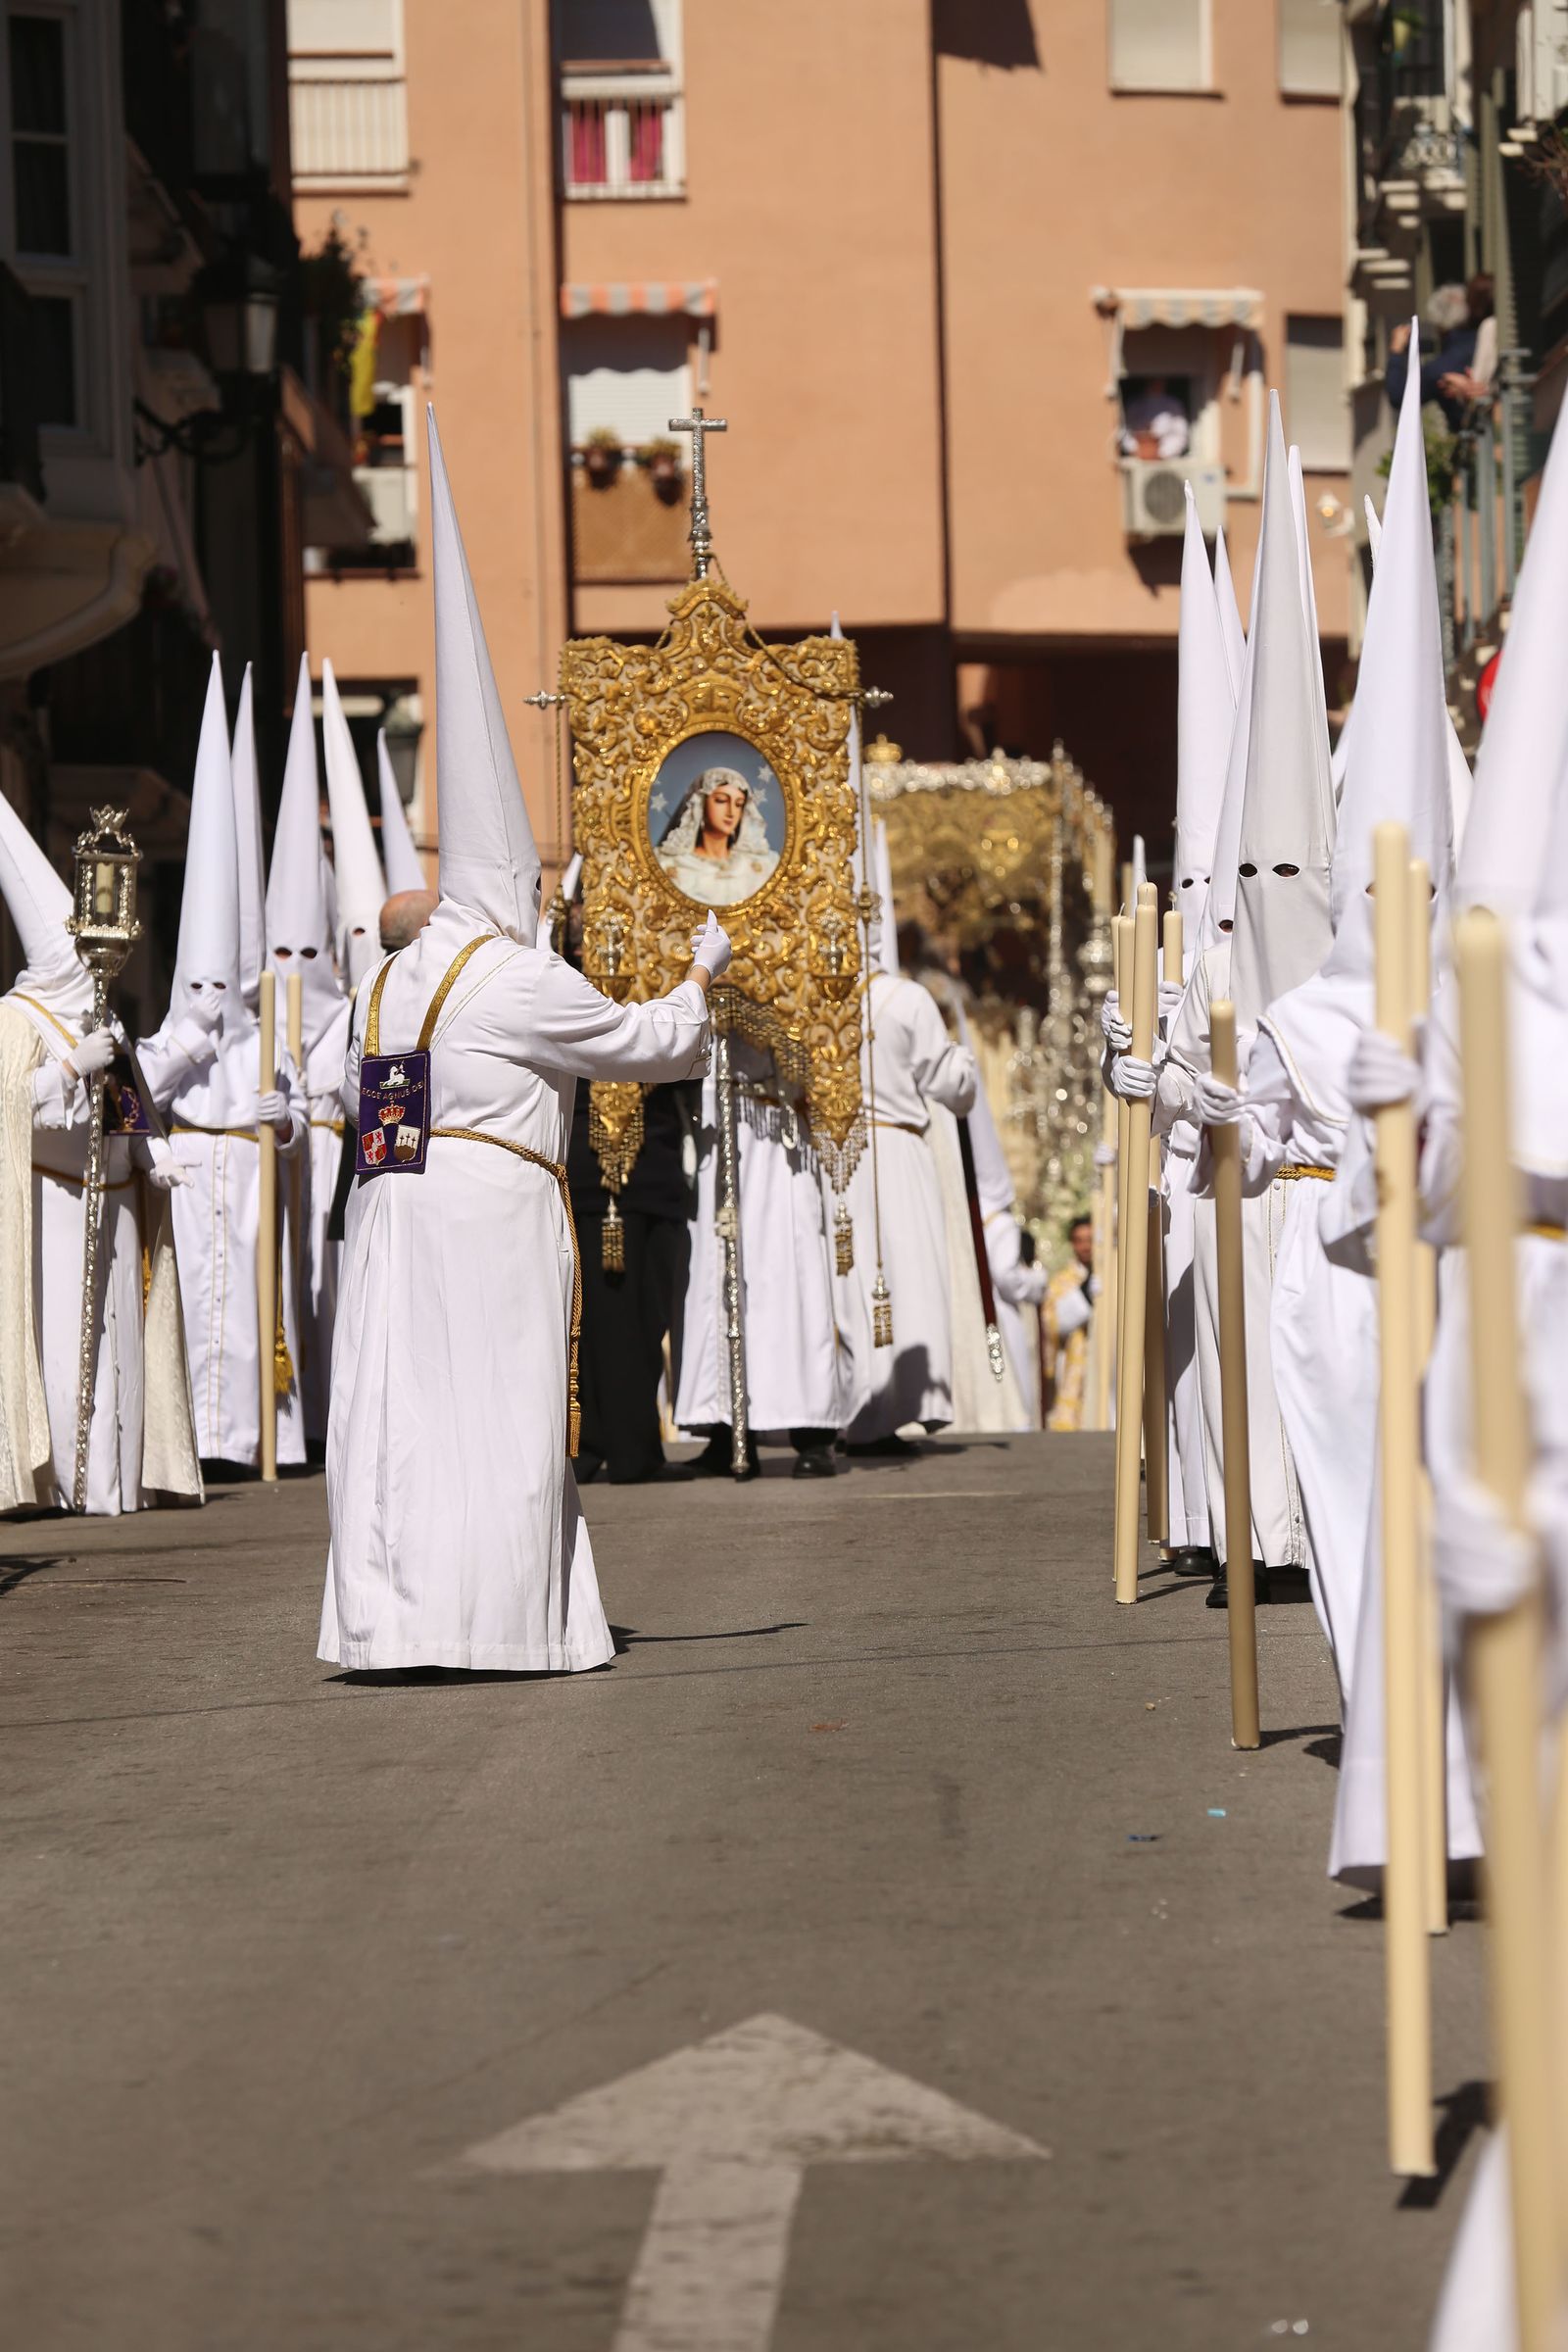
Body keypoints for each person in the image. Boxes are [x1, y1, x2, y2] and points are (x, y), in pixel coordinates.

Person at [318, 408, 717, 1675]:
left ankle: (391, 1620)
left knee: (401, 1416)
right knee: (494, 1412)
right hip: (490, 1209)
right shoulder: (515, 973)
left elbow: (336, 1083)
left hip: (389, 1207)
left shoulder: (388, 985)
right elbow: (642, 1043)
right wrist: (703, 974)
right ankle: (491, 1621)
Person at [0, 788, 201, 1515]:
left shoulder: (100, 1012)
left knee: (118, 1339)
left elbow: (127, 1096)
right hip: (52, 1199)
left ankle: (116, 1481)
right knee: (61, 1341)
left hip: (114, 1200)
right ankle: (62, 1482)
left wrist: (152, 1151)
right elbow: (9, 1108)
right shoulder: (17, 1019)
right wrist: (68, 1067)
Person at [138, 654, 309, 1470]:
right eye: (194, 979)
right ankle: (183, 1441)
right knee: (186, 1303)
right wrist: (190, 1036)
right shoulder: (175, 1030)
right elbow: (135, 1093)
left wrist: (286, 1121)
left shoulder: (267, 1028)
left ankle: (243, 1439)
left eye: (220, 980)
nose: (210, 989)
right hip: (189, 1169)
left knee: (243, 1305)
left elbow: (300, 1111)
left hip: (243, 1177)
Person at [835, 946, 978, 1451]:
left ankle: (856, 1409)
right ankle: (888, 1408)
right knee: (904, 1276)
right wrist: (965, 1065)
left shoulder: (812, 998)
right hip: (896, 1152)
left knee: (848, 1282)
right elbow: (950, 1086)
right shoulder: (907, 998)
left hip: (834, 1154)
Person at [268, 654, 353, 1447]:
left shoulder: (357, 1012)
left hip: (338, 1176)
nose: (291, 969)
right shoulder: (243, 1020)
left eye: (307, 952)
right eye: (277, 953)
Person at [656, 767, 779, 906]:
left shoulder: (763, 866)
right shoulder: (670, 865)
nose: (731, 812)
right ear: (701, 805)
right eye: (721, 800)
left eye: (738, 804)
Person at [1386, 276, 1494, 430]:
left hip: (1479, 441)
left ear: (1439, 325)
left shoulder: (1441, 367)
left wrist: (1396, 349)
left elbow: (1399, 396)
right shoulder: (1486, 338)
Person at [1044, 1216, 1095, 1432]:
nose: (1085, 1246)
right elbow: (1054, 1324)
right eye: (1079, 1240)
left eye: (1090, 1239)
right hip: (1077, 1364)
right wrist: (1083, 1295)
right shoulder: (1061, 1281)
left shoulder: (1119, 1274)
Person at [1119, 375, 1190, 460]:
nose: (1156, 384)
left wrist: (1162, 453)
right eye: (1152, 381)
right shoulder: (1135, 404)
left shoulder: (1173, 405)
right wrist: (1136, 450)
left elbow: (1181, 434)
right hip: (1137, 459)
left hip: (1167, 460)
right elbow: (1124, 431)